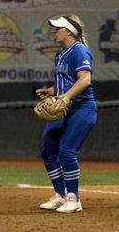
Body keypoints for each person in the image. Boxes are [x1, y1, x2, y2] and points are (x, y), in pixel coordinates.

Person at [38, 14, 97, 214]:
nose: (54, 32)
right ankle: (60, 195)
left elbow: (85, 80)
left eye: (57, 29)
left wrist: (65, 97)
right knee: (47, 150)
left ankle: (74, 199)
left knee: (66, 151)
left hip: (82, 107)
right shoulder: (60, 54)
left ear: (69, 32)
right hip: (66, 108)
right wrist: (52, 92)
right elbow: (66, 81)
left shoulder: (79, 51)